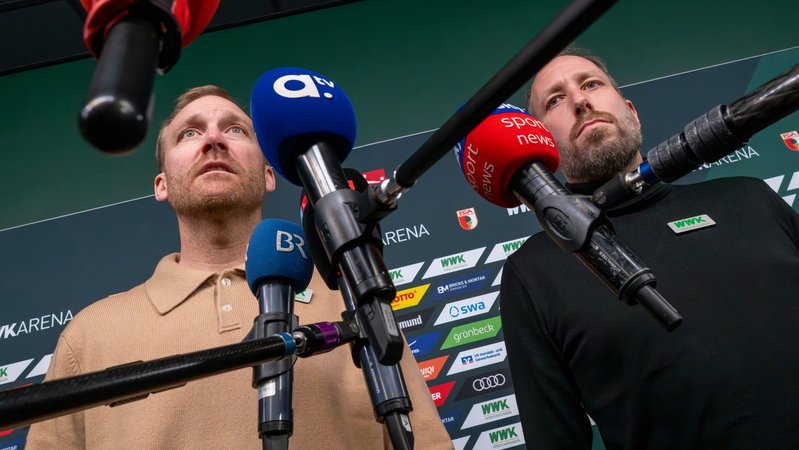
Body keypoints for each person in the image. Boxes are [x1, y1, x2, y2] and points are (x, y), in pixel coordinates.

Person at [26, 85, 453, 449]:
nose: (214, 141)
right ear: (161, 185)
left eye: (235, 129)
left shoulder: (353, 304)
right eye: (189, 133)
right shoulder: (88, 336)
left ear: (268, 174)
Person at [501, 47, 799, 449]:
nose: (579, 100)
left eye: (591, 83)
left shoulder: (749, 196)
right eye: (555, 100)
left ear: (631, 111)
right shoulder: (534, 270)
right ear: (542, 143)